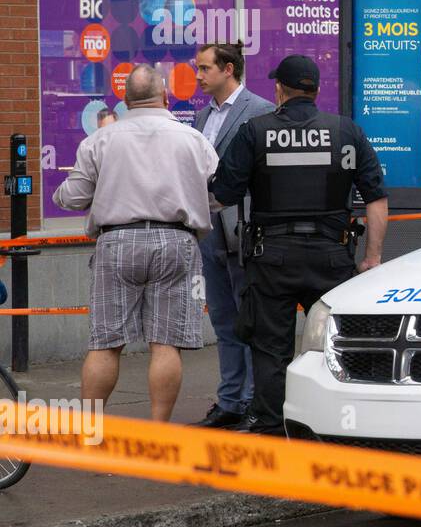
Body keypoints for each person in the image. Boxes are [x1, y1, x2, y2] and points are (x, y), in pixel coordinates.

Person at [211, 55, 388, 435]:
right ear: (317, 90)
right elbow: (375, 196)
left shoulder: (255, 131)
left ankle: (271, 425)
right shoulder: (346, 131)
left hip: (271, 258)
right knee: (337, 344)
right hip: (331, 257)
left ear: (280, 90)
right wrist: (372, 258)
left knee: (271, 348)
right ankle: (345, 421)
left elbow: (223, 195)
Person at [53, 64, 218, 421]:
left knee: (105, 344)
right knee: (166, 343)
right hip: (177, 241)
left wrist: (64, 192)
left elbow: (73, 197)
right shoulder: (192, 140)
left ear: (125, 100)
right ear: (165, 97)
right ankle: (157, 434)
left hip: (117, 241)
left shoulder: (99, 140)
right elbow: (217, 194)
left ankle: (91, 431)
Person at [189, 42, 275, 429]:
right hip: (209, 230)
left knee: (250, 321)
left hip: (244, 228)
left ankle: (256, 403)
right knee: (224, 320)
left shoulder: (260, 111)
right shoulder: (202, 116)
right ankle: (229, 400)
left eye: (205, 68)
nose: (199, 76)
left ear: (228, 69)